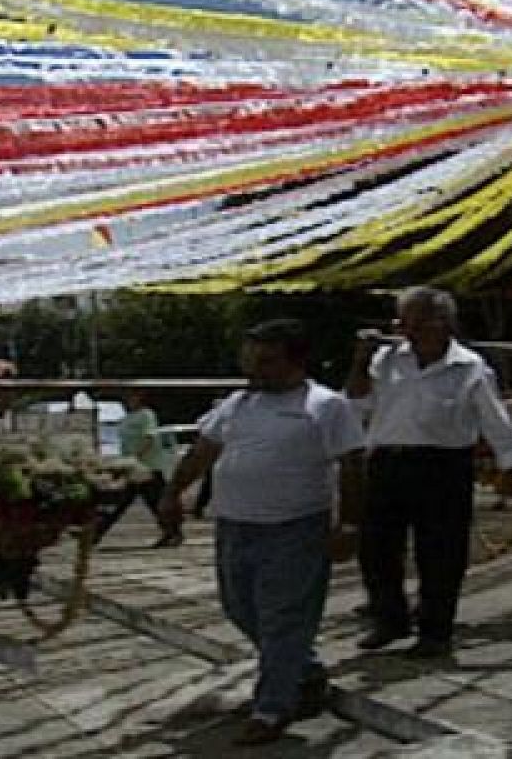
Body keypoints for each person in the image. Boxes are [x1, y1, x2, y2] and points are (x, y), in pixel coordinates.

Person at [157, 320, 365, 747]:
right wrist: (173, 492)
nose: (255, 369)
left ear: (296, 361)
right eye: (250, 360)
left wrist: (349, 524)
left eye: (267, 361)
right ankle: (303, 673)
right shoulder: (237, 403)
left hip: (296, 528)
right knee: (239, 608)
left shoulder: (327, 406)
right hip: (235, 525)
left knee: (284, 618)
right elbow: (203, 452)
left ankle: (272, 707)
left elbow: (352, 466)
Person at [345, 287, 512, 658]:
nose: (403, 330)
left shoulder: (470, 366)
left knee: (441, 551)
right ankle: (389, 619)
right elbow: (355, 401)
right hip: (387, 461)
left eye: (411, 322)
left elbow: (495, 419)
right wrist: (360, 360)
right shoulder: (387, 359)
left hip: (443, 466)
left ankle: (435, 629)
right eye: (400, 322)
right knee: (377, 548)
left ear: (440, 324)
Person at [93, 389, 180, 547]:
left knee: (155, 502)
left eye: (132, 397)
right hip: (131, 468)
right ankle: (96, 533)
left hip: (148, 467)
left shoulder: (147, 415)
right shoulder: (126, 418)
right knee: (120, 501)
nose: (129, 400)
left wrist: (137, 456)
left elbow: (150, 437)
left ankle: (173, 532)